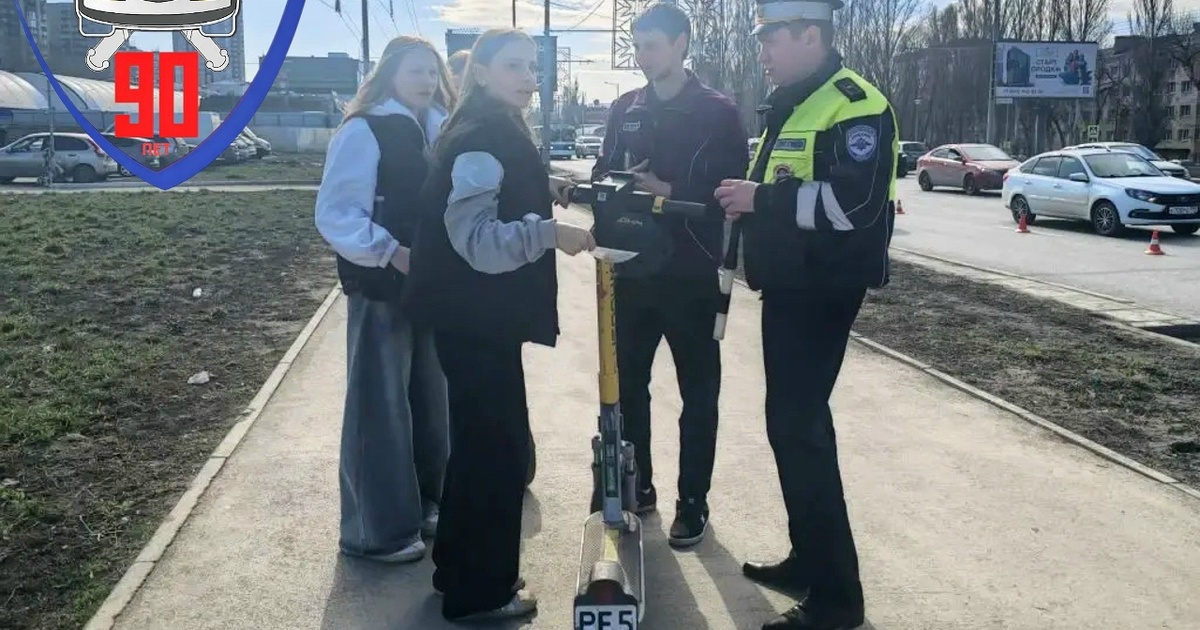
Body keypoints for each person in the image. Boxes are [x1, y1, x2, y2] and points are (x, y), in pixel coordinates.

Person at [714, 0, 898, 628]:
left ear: (812, 35)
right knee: (789, 428)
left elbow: (858, 205)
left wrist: (760, 198)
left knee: (802, 431)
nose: (762, 50)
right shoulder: (792, 102)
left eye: (772, 38)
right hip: (790, 287)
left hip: (823, 289)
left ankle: (838, 599)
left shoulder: (855, 102)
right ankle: (810, 560)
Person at [402, 28, 595, 622]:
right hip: (476, 321)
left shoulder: (490, 125)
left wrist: (548, 188)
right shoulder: (483, 134)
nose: (528, 77)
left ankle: (457, 572)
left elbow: (496, 194)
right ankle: (480, 595)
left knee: (479, 448)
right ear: (480, 72)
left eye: (532, 67)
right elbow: (477, 243)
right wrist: (549, 235)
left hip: (471, 321)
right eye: (513, 66)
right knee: (498, 455)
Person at [591, 1, 748, 548]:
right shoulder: (624, 108)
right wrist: (616, 181)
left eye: (651, 44)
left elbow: (732, 188)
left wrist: (669, 190)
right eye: (636, 46)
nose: (641, 56)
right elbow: (601, 172)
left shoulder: (717, 111)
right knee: (628, 386)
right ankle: (641, 486)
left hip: (692, 273)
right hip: (631, 273)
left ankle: (692, 502)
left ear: (682, 43)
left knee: (698, 393)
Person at [314, 35, 456, 565]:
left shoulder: (440, 127)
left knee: (430, 400)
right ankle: (375, 530)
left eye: (431, 72)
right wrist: (389, 251)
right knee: (381, 405)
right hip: (381, 285)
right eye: (415, 71)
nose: (425, 80)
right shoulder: (364, 129)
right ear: (390, 74)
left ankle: (428, 504)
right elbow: (336, 213)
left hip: (431, 285)